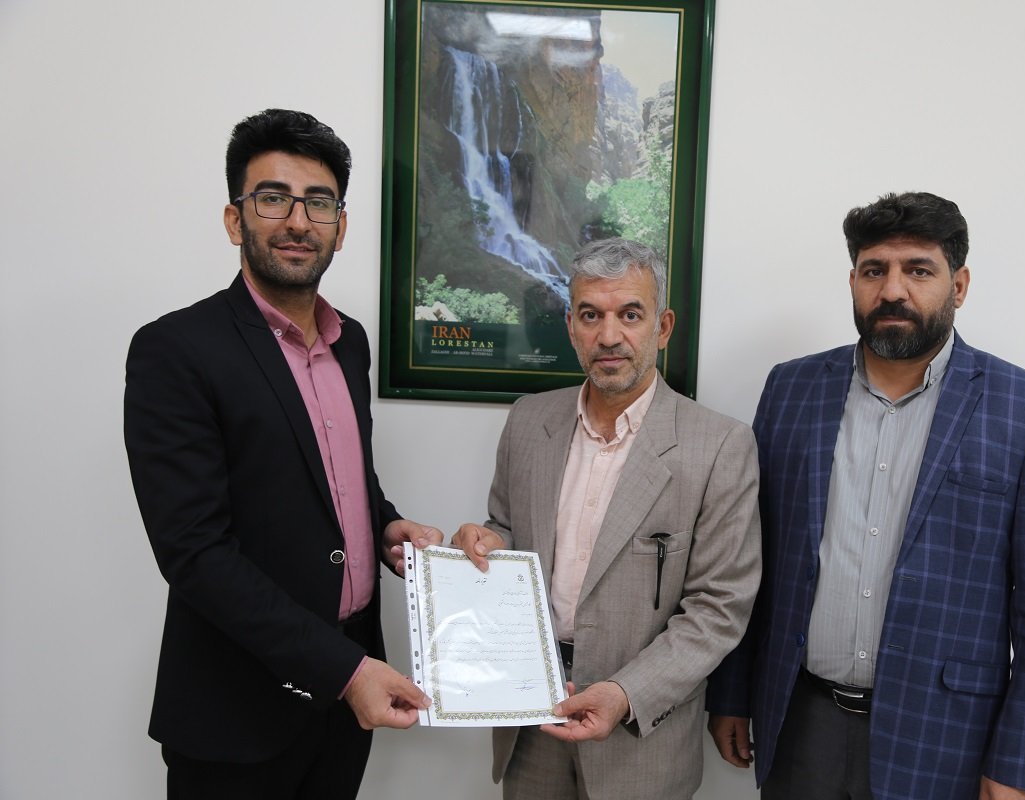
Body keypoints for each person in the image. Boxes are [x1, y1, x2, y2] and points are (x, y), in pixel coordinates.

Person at [706, 192, 1025, 800]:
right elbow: (751, 555)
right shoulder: (792, 388)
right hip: (799, 720)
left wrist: (1020, 762)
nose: (892, 290)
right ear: (853, 281)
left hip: (945, 735)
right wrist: (731, 691)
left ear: (959, 286)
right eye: (874, 270)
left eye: (919, 270)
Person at [124, 108, 441, 799]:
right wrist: (345, 672)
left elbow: (338, 477)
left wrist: (385, 523)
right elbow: (195, 553)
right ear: (235, 219)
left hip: (345, 704)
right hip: (236, 713)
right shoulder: (175, 350)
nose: (298, 220)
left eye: (318, 202)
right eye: (273, 198)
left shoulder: (350, 342)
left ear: (340, 227)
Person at [452, 238, 762, 800]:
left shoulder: (721, 446)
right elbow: (508, 529)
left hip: (641, 738)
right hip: (531, 720)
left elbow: (719, 608)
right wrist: (487, 540)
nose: (609, 336)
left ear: (663, 327)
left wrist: (624, 694)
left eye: (630, 315)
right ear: (571, 327)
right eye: (591, 315)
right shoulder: (528, 421)